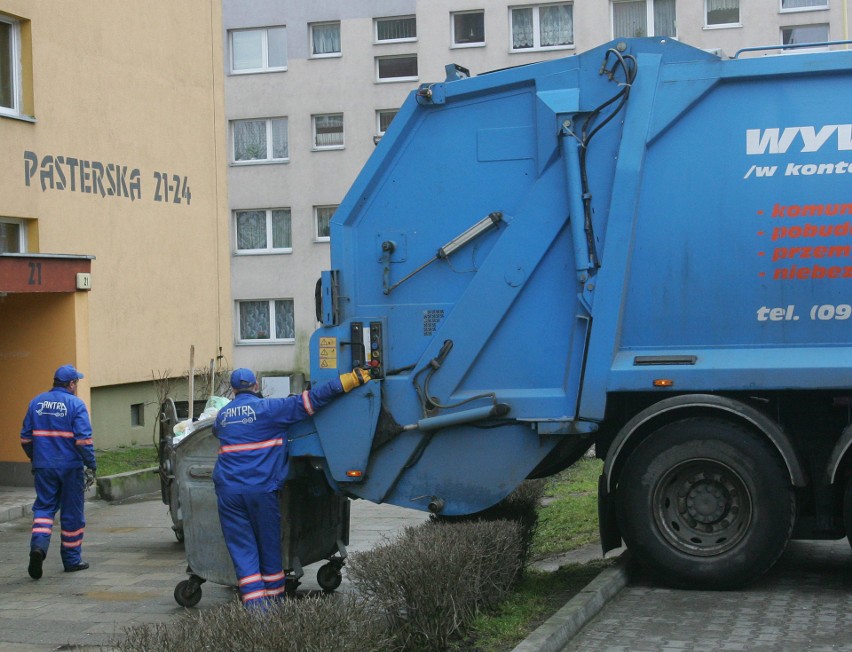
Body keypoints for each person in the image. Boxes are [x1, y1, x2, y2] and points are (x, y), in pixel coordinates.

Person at [213, 366, 370, 606]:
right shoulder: (270, 409)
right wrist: (349, 380)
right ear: (256, 386)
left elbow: (217, 432)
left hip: (228, 493)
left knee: (242, 550)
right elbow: (311, 400)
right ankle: (274, 607)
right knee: (269, 548)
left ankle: (255, 612)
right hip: (261, 491)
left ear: (233, 389)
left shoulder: (222, 416)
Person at [20, 364, 97, 579]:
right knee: (72, 514)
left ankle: (39, 548)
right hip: (70, 469)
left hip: (44, 467)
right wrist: (91, 464)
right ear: (71, 384)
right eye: (76, 383)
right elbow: (84, 441)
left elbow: (25, 438)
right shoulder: (76, 405)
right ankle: (72, 561)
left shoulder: (36, 402)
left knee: (44, 510)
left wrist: (35, 458)